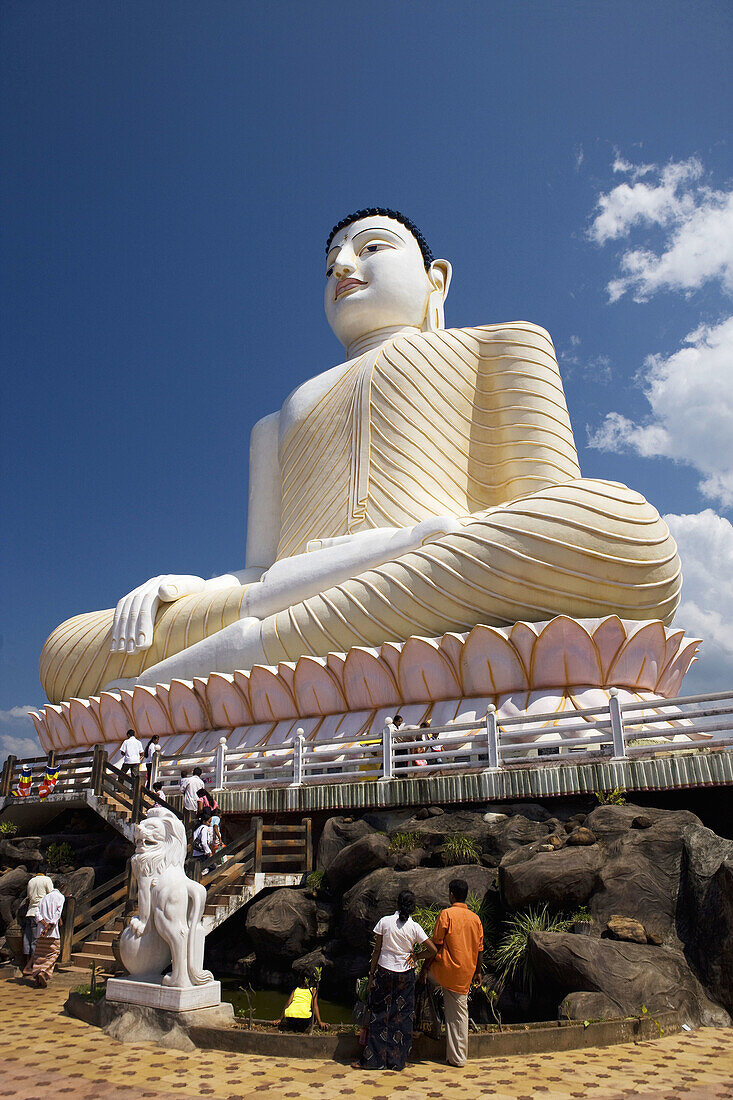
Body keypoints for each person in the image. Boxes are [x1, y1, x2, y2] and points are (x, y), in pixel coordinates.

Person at [40, 210, 681, 707]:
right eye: (330, 263)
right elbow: (261, 571)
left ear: (437, 280)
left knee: (623, 528)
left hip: (443, 569)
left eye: (371, 247)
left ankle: (208, 670)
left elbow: (548, 516)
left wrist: (426, 547)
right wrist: (183, 588)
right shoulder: (278, 418)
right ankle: (233, 655)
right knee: (64, 649)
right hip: (311, 596)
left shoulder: (501, 344)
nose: (343, 265)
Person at [355, 889, 436, 1072]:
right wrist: (416, 956)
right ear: (413, 907)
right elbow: (433, 950)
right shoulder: (414, 927)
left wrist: (371, 974)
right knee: (402, 1017)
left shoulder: (385, 922)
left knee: (379, 1015)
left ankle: (373, 1060)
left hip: (384, 972)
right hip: (405, 975)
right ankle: (397, 1061)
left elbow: (376, 950)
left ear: (397, 904)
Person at [421, 878, 483, 1067]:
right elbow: (480, 949)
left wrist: (424, 969)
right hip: (465, 972)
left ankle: (422, 1026)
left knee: (420, 983)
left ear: (451, 894)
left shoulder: (446, 914)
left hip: (444, 971)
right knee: (459, 1014)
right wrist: (478, 972)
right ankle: (457, 1057)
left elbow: (436, 945)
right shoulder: (475, 918)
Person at [23, 886, 66, 987]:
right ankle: (43, 971)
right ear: (62, 887)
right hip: (52, 932)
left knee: (40, 954)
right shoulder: (60, 897)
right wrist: (50, 925)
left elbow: (37, 913)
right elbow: (57, 913)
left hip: (40, 931)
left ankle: (38, 975)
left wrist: (44, 924)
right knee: (54, 952)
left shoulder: (44, 898)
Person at [22, 867, 54, 967]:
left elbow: (29, 895)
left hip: (30, 912)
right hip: (40, 913)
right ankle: (33, 965)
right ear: (45, 872)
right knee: (37, 940)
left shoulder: (31, 881)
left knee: (28, 939)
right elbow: (51, 895)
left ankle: (27, 962)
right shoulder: (47, 880)